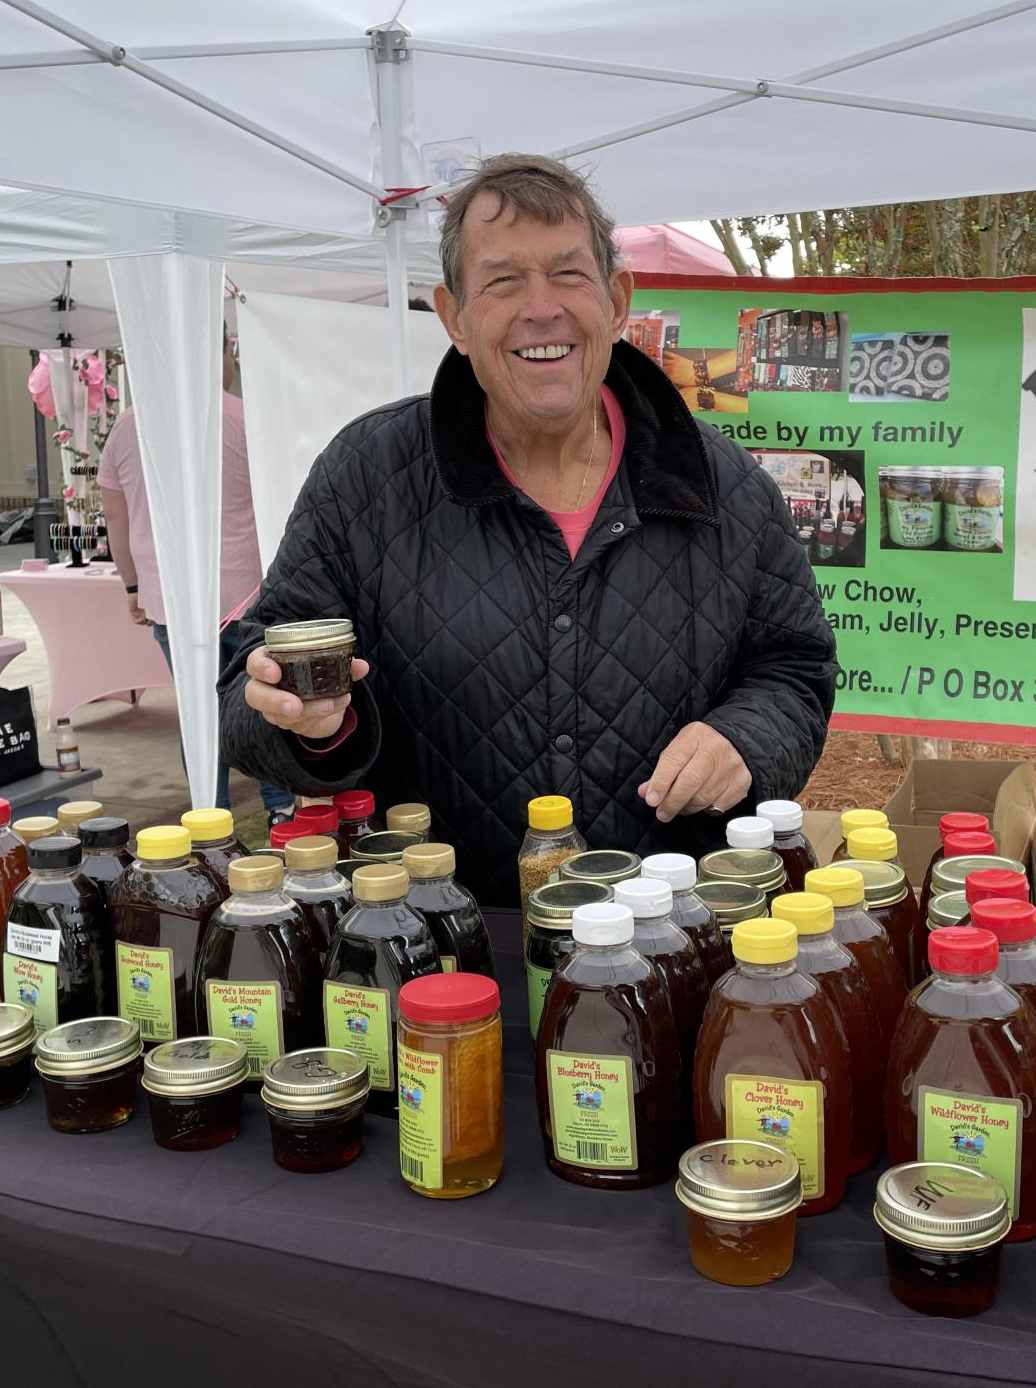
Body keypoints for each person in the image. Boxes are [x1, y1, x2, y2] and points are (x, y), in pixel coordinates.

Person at [218, 153, 836, 904]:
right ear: (455, 317)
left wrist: (748, 738)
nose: (541, 308)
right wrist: (307, 722)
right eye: (503, 281)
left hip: (675, 936)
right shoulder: (368, 477)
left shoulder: (727, 488)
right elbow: (253, 678)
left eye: (569, 275)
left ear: (616, 300)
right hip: (442, 943)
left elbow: (795, 671)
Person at [99, 341, 293, 818]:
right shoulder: (244, 418)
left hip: (169, 597)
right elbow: (280, 505)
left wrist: (131, 587)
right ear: (221, 352)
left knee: (197, 713)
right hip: (247, 592)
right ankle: (282, 809)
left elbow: (115, 519)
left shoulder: (126, 426)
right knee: (264, 700)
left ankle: (213, 817)